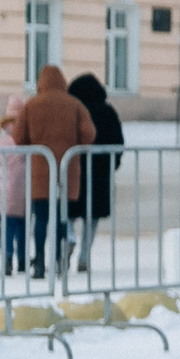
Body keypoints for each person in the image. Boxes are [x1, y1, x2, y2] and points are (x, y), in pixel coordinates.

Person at [13, 64, 95, 279]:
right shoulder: (75, 105)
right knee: (61, 219)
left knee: (40, 219)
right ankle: (59, 261)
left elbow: (18, 138)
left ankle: (39, 262)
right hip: (67, 174)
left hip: (40, 174)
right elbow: (89, 135)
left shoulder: (32, 106)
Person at [65, 73, 124, 274]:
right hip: (100, 174)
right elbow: (118, 141)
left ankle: (69, 239)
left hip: (76, 171)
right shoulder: (108, 112)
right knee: (93, 217)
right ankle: (84, 256)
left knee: (69, 213)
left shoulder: (73, 111)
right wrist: (112, 164)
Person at [0, 98, 29, 276]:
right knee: (23, 228)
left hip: (4, 193)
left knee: (6, 228)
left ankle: (7, 259)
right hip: (24, 193)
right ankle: (23, 260)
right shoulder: (27, 141)